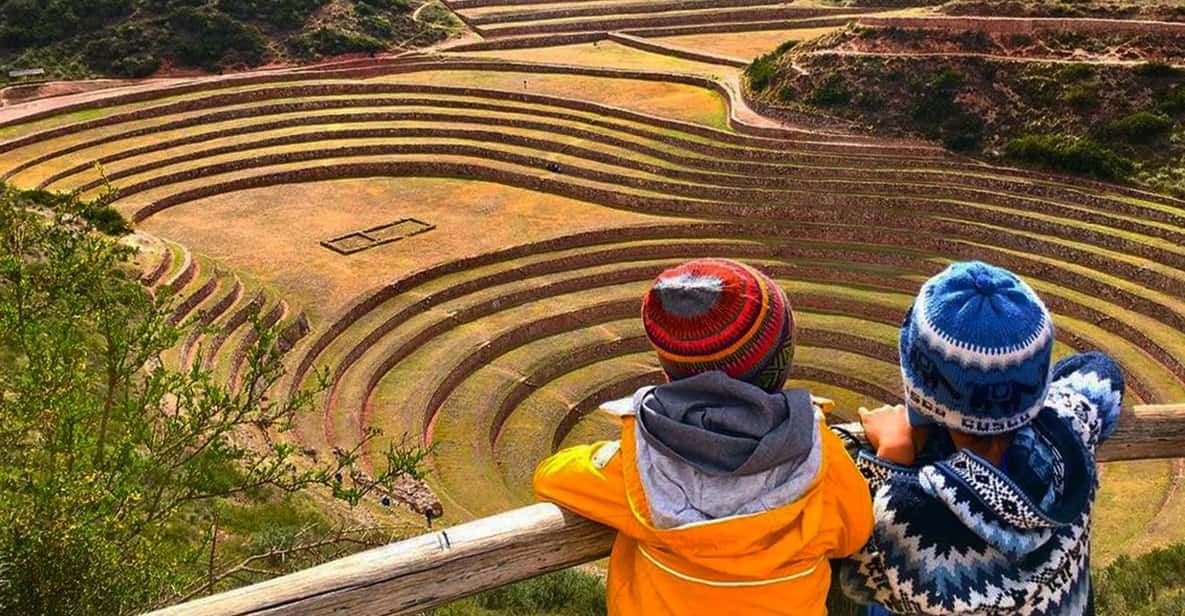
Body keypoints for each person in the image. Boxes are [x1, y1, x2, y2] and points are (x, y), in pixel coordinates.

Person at [533, 258, 874, 615]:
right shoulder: (824, 461)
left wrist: (613, 452)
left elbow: (550, 477)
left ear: (670, 374)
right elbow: (854, 531)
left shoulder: (634, 474)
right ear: (781, 361)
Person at [840, 261, 1125, 615]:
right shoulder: (1071, 430)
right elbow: (1100, 372)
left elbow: (856, 577)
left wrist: (890, 459)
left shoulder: (911, 514)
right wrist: (1027, 402)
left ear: (920, 397)